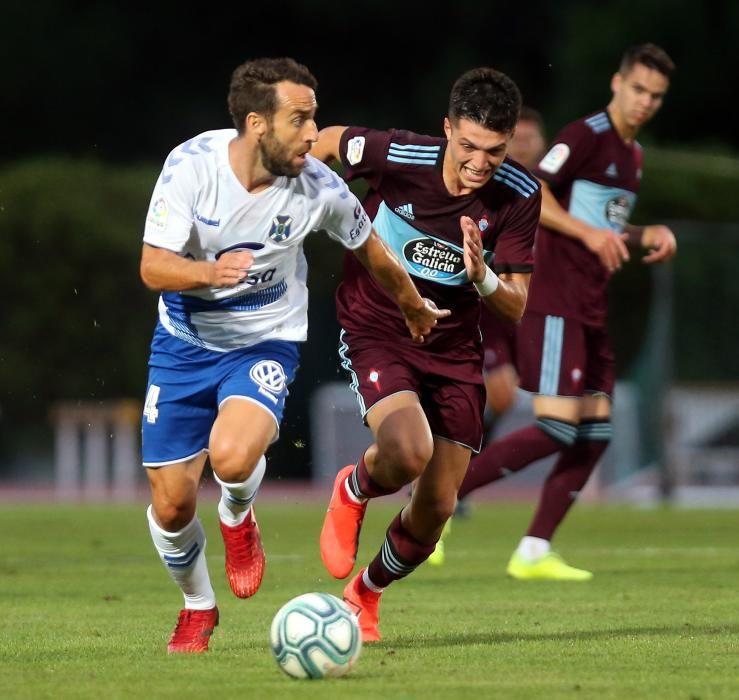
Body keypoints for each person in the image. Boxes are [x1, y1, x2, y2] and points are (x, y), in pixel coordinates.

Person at [139, 56, 446, 654]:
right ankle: (198, 606)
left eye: (315, 118)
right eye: (300, 120)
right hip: (182, 344)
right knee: (172, 505)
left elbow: (373, 250)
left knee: (230, 458)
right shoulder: (191, 167)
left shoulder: (319, 188)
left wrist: (411, 304)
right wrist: (208, 271)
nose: (314, 135)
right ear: (257, 123)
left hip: (264, 339)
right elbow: (153, 265)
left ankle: (237, 513)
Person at [311, 67, 541, 641]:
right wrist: (286, 194)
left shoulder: (519, 195)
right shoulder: (399, 155)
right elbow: (326, 141)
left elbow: (515, 307)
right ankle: (355, 487)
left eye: (493, 150)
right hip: (378, 328)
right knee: (407, 452)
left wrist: (483, 277)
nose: (478, 163)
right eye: (467, 146)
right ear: (446, 130)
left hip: (456, 354)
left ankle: (365, 593)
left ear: (508, 142)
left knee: (436, 508)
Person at [458, 43, 677, 581]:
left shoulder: (634, 156)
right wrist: (590, 234)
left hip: (591, 306)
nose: (645, 101)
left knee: (595, 434)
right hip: (555, 299)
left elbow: (600, 225)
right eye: (638, 89)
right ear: (617, 84)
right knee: (558, 428)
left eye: (656, 95)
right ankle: (440, 494)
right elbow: (538, 192)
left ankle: (534, 549)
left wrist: (644, 232)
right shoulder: (585, 135)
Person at [449, 106, 548, 529]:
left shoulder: (544, 190)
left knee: (505, 397)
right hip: (490, 310)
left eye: (529, 140)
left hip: (526, 313)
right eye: (517, 140)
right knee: (502, 394)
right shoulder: (493, 190)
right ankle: (450, 482)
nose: (524, 147)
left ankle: (451, 480)